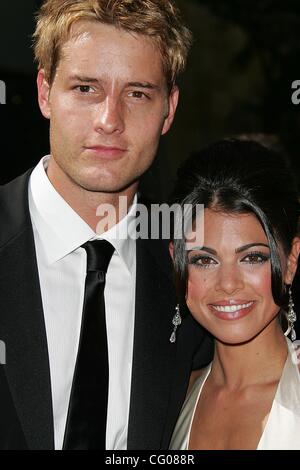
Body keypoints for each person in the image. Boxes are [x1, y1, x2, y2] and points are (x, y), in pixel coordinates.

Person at [0, 0, 212, 450]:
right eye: (85, 89)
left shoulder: (200, 272)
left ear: (169, 110)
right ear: (44, 92)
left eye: (137, 93)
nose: (109, 120)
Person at [169, 139, 300, 450]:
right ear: (177, 262)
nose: (228, 284)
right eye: (204, 259)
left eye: (252, 257)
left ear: (292, 260)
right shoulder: (170, 399)